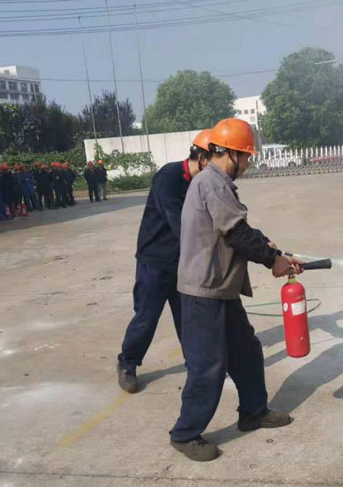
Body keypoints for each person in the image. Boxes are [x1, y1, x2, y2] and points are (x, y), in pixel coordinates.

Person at [170, 118, 304, 462]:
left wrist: (276, 252)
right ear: (233, 154)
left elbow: (241, 229)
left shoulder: (215, 183)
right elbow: (237, 234)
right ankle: (185, 434)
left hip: (221, 289)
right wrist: (272, 260)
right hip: (203, 291)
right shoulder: (211, 183)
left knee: (246, 352)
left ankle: (253, 412)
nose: (247, 164)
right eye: (246, 157)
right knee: (208, 365)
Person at [117, 129, 213, 394]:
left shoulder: (203, 183)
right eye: (214, 161)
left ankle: (195, 364)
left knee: (187, 319)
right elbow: (180, 223)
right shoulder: (169, 177)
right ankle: (127, 363)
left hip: (182, 263)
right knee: (146, 317)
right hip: (155, 262)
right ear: (202, 157)